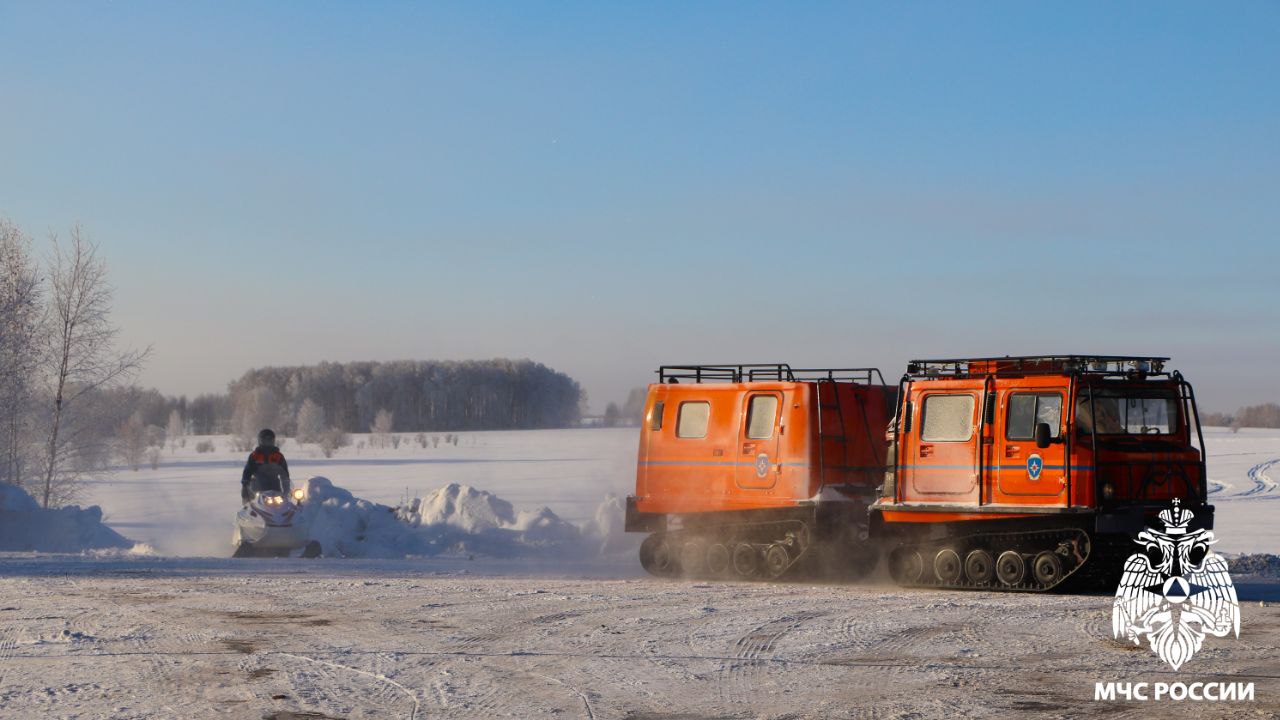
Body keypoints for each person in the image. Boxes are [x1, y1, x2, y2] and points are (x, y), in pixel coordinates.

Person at [241, 428, 290, 502]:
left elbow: (284, 473)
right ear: (260, 441)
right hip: (257, 488)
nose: (267, 443)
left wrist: (287, 490)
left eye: (269, 440)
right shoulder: (255, 455)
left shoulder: (278, 456)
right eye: (265, 440)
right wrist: (245, 485)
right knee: (250, 505)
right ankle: (247, 507)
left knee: (282, 508)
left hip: (275, 488)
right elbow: (247, 471)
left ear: (273, 441)